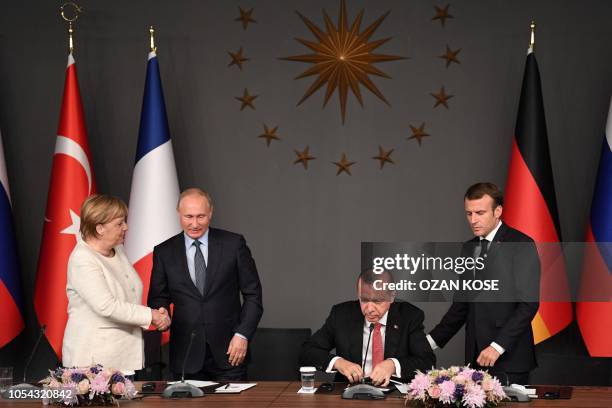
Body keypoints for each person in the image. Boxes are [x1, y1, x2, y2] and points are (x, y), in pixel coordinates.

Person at [427, 182, 540, 385]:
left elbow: (528, 305)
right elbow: (461, 305)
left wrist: (497, 346)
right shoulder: (468, 248)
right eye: (469, 214)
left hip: (510, 360)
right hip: (475, 359)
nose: (473, 220)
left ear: (498, 211)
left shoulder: (522, 244)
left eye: (480, 213)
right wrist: (429, 342)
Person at [148, 188, 263, 380]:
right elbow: (158, 296)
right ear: (179, 214)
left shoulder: (233, 244)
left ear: (210, 213)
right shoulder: (163, 251)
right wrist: (161, 313)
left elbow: (253, 295)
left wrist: (242, 335)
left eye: (200, 216)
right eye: (189, 217)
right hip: (185, 355)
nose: (194, 224)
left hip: (230, 354)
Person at [62, 194, 170, 374]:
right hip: (93, 362)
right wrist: (151, 315)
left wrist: (158, 314)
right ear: (100, 228)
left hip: (123, 358)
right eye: (119, 223)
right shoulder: (83, 258)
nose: (126, 227)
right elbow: (107, 306)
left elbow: (129, 294)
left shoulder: (117, 250)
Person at [299, 269, 436, 386]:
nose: (369, 309)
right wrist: (338, 362)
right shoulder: (341, 314)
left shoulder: (409, 316)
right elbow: (307, 351)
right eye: (364, 300)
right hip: (350, 393)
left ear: (392, 297)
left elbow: (427, 362)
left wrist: (393, 365)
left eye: (377, 301)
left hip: (394, 393)